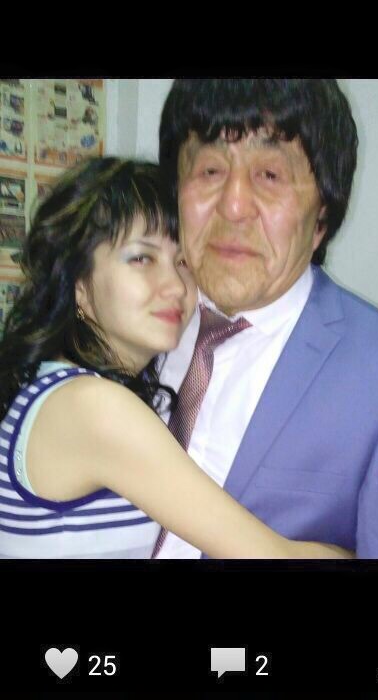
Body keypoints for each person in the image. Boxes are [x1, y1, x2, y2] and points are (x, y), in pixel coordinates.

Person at [0, 156, 352, 559]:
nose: (175, 286)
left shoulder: (64, 388)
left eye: (183, 261)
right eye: (142, 258)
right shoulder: (92, 407)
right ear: (78, 282)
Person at [157, 78, 378, 559]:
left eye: (270, 175)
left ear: (322, 215)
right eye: (209, 169)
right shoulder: (120, 322)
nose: (234, 205)